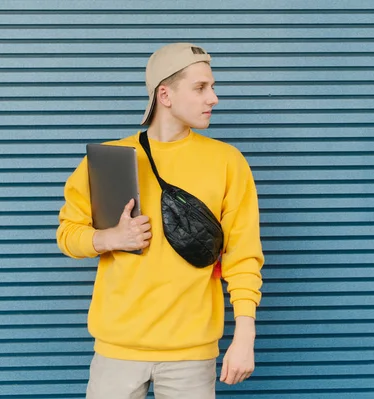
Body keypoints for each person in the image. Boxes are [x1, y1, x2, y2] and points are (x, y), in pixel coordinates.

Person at [56, 42, 264, 399]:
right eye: (201, 88)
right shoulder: (108, 161)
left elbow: (243, 257)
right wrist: (111, 239)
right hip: (117, 351)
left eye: (212, 87)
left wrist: (245, 338)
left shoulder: (227, 162)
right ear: (164, 95)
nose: (213, 98)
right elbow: (68, 234)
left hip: (192, 353)